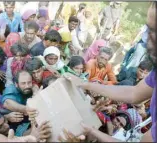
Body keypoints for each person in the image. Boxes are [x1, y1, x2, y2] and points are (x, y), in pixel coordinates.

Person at [63, 3, 156, 142]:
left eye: (154, 31)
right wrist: (85, 84)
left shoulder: (108, 68)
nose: (146, 39)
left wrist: (93, 131)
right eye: (148, 29)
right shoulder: (91, 64)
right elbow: (134, 93)